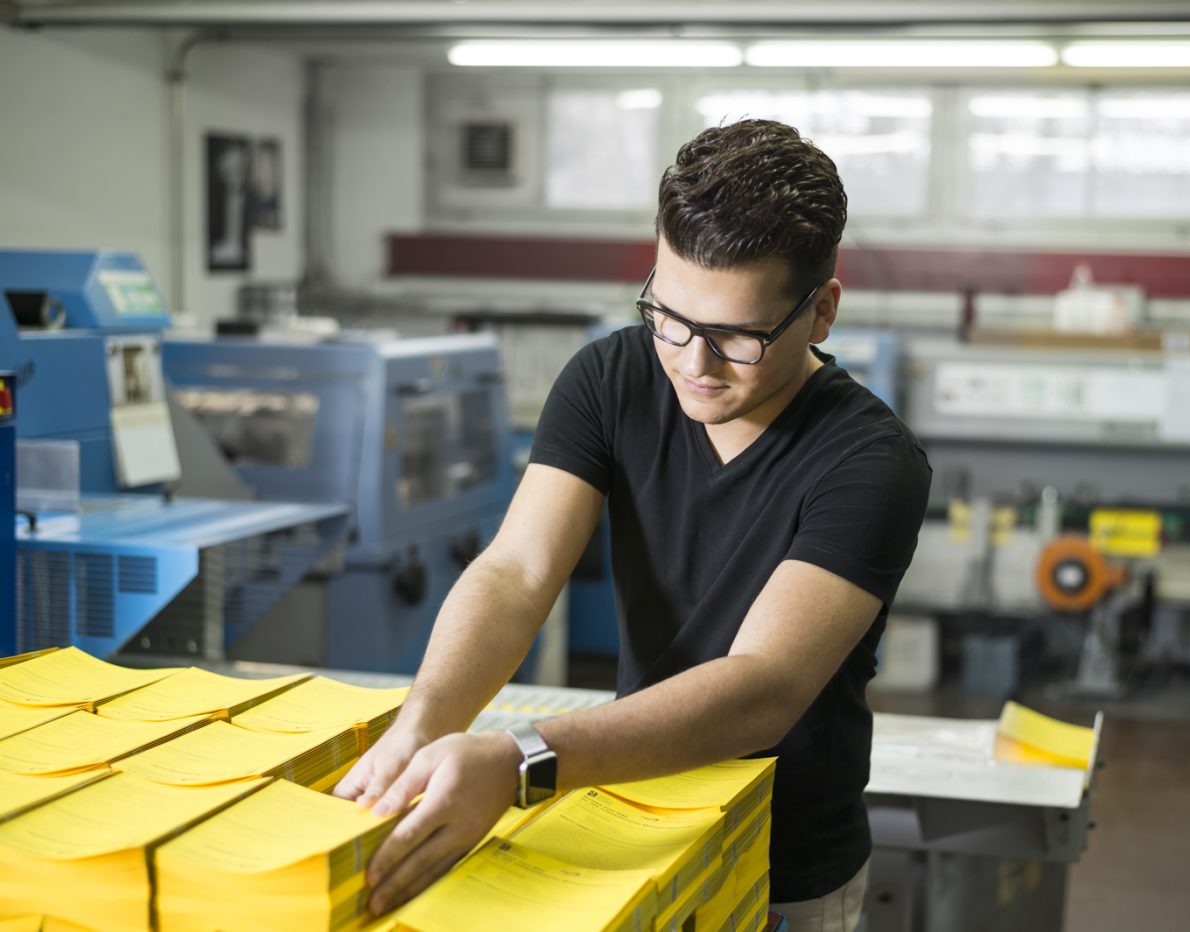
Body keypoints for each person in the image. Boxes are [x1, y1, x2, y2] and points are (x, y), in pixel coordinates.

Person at [334, 118, 932, 932]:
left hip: (780, 869)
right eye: (670, 316)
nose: (692, 361)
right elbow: (517, 571)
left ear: (822, 311)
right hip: (617, 815)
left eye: (736, 336)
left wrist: (521, 759)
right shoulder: (611, 377)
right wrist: (424, 723)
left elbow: (762, 687)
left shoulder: (871, 461)